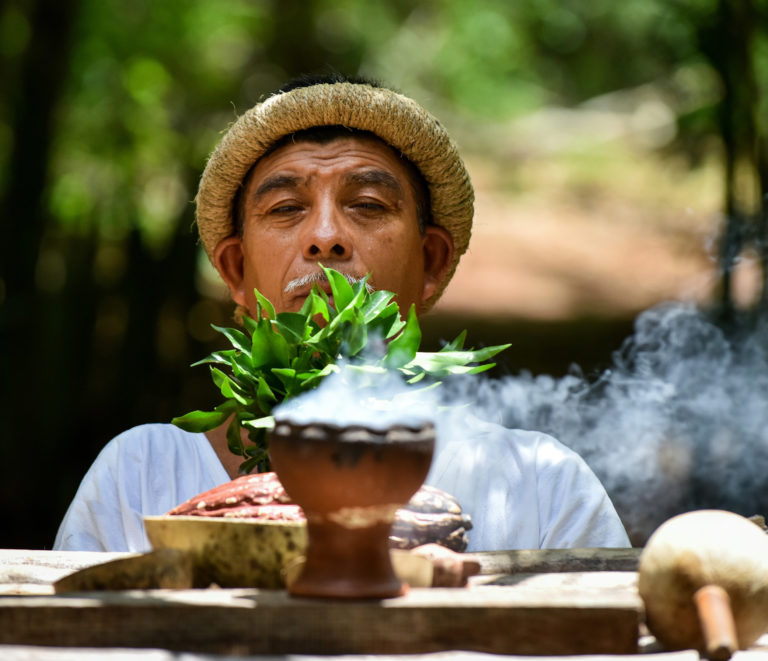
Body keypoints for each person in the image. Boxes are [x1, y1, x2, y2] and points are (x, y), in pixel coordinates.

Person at [54, 74, 630, 552]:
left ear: (430, 262)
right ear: (235, 272)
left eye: (368, 205)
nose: (326, 237)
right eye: (286, 208)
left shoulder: (537, 483)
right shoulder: (141, 477)